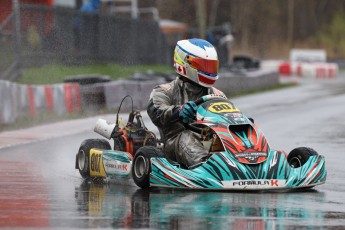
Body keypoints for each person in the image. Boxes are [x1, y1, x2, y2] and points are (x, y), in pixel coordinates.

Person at [147, 38, 226, 168]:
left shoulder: (218, 94)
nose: (209, 70)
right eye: (204, 66)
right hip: (175, 143)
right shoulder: (165, 91)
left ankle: (248, 165)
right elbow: (157, 112)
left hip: (208, 138)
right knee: (187, 137)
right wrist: (179, 111)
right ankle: (206, 168)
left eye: (211, 66)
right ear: (186, 64)